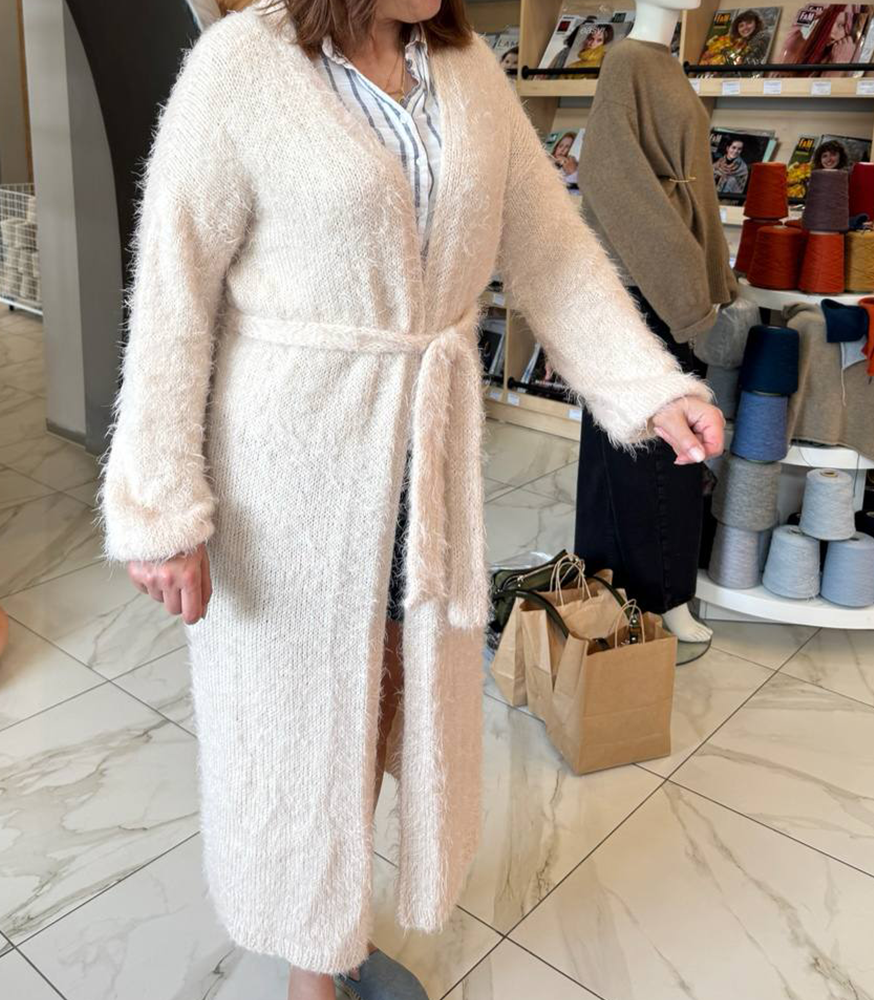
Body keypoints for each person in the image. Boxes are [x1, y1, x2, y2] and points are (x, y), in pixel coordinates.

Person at [98, 1, 724, 997]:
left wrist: (647, 387)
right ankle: (311, 970)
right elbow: (175, 289)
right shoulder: (240, 66)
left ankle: (339, 934)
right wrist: (161, 505)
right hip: (289, 473)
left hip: (425, 467)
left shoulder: (466, 69)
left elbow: (550, 248)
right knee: (303, 729)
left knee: (390, 698)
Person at [701, 8, 769, 65]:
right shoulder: (740, 42)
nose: (745, 28)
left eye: (749, 23)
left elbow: (751, 61)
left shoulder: (762, 37)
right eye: (741, 26)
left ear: (756, 23)